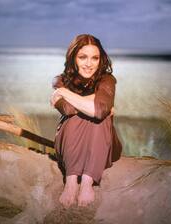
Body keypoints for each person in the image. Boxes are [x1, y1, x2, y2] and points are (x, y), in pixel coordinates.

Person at [50, 34, 122, 207]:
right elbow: (67, 109)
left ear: (100, 60)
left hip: (104, 144)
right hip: (69, 140)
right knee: (82, 114)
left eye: (94, 58)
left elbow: (99, 111)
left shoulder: (106, 79)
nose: (89, 63)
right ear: (73, 58)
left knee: (101, 117)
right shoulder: (60, 80)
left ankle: (88, 182)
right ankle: (72, 181)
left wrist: (64, 93)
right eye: (83, 57)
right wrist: (95, 101)